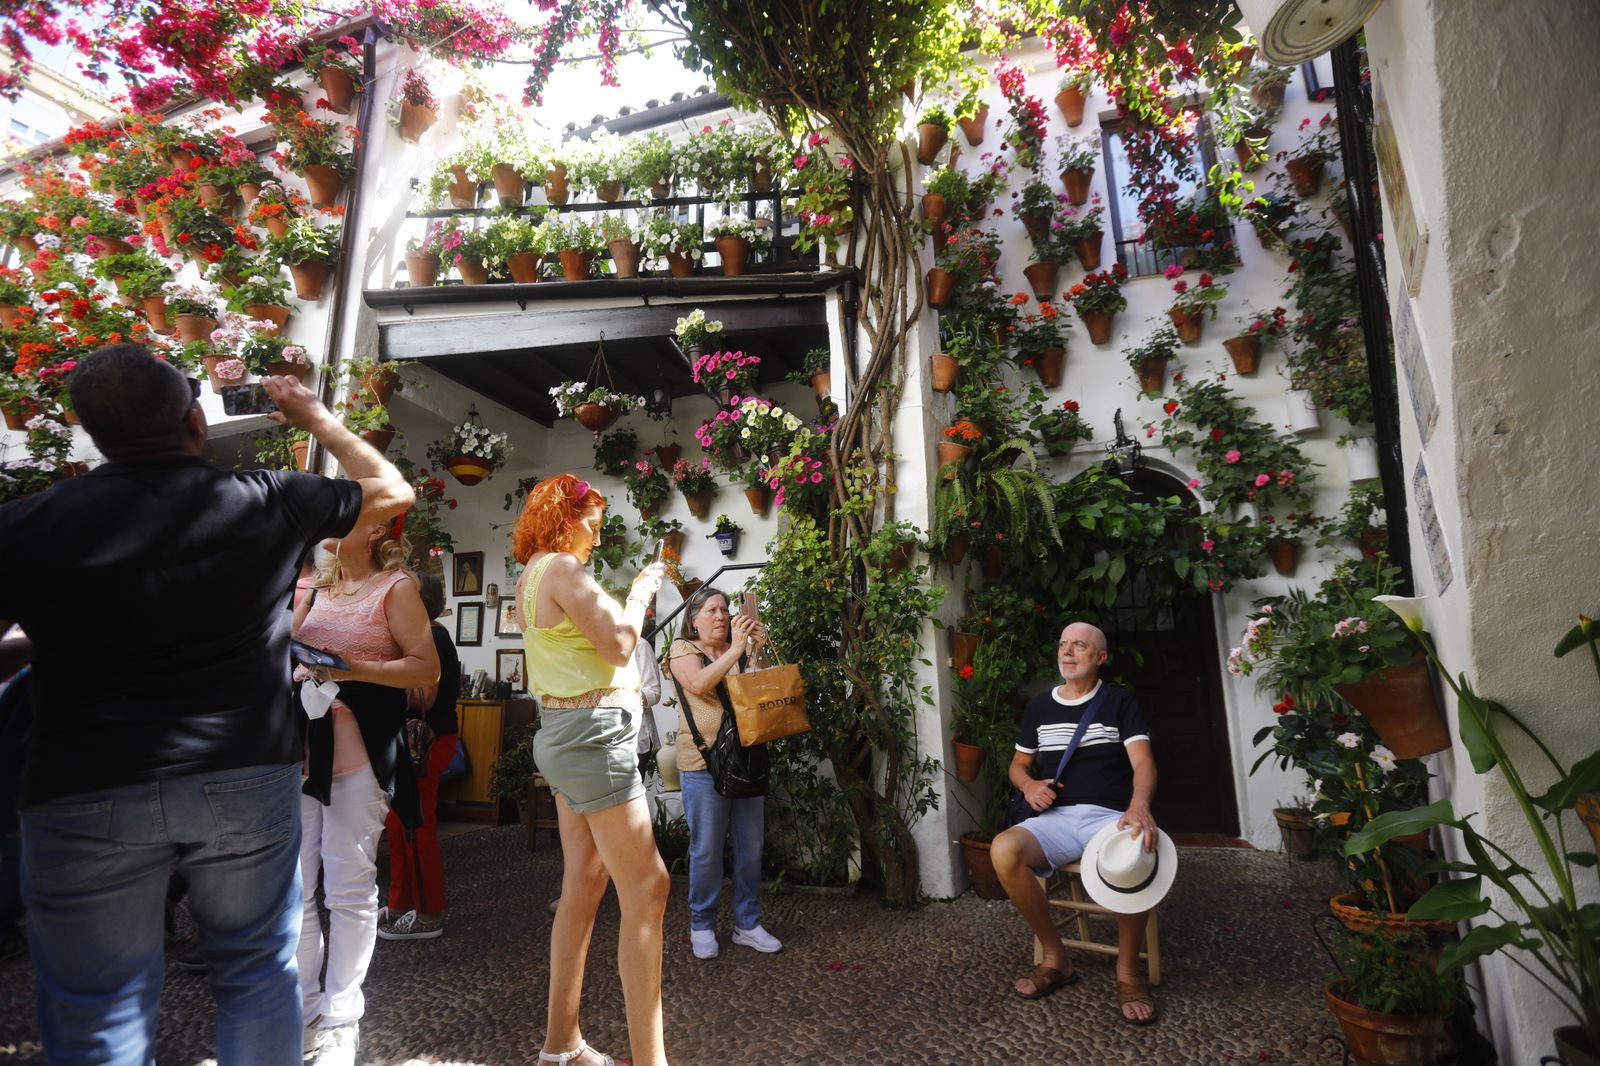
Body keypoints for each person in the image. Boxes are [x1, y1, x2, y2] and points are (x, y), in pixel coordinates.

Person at [0, 345, 412, 1065]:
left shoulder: (27, 523)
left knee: (100, 1008)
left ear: (89, 429)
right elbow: (390, 490)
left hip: (85, 777)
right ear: (194, 419)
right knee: (255, 971)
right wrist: (314, 414)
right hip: (242, 771)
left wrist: (50, 643)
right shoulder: (265, 498)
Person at [512, 474, 668, 1066]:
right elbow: (620, 646)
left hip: (563, 735)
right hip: (593, 740)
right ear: (564, 516)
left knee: (583, 880)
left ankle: (561, 1045)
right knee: (649, 887)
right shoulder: (562, 571)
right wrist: (643, 590)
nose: (596, 538)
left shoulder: (531, 574)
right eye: (593, 524)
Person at [292, 515, 439, 1065]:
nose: (329, 519)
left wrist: (353, 668)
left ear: (376, 530)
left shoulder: (396, 588)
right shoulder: (315, 584)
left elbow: (425, 670)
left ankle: (340, 1018)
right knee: (297, 886)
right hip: (300, 749)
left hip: (359, 754)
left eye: (346, 513)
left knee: (348, 886)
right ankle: (306, 1008)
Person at [989, 621, 1162, 1025]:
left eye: (1079, 646)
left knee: (1139, 851)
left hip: (1111, 818)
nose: (1067, 652)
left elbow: (1143, 762)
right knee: (1003, 850)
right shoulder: (1040, 707)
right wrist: (1029, 785)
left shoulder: (1120, 703)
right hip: (1058, 819)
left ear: (1100, 657)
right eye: (1063, 644)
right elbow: (1019, 764)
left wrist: (1138, 807)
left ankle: (1127, 972)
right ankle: (1056, 957)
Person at [667, 587, 783, 960]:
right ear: (694, 619)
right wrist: (736, 649)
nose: (721, 616)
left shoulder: (739, 649)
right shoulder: (683, 650)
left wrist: (757, 651)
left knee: (751, 848)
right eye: (712, 610)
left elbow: (760, 693)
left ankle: (747, 924)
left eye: (725, 609)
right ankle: (701, 923)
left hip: (746, 758)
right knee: (707, 851)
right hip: (704, 765)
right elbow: (699, 684)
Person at [379, 572, 461, 942]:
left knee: (417, 825)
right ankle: (401, 903)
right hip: (414, 739)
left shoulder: (434, 636)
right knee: (401, 825)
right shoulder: (424, 634)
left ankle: (430, 912)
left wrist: (375, 676)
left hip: (425, 741)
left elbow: (424, 698)